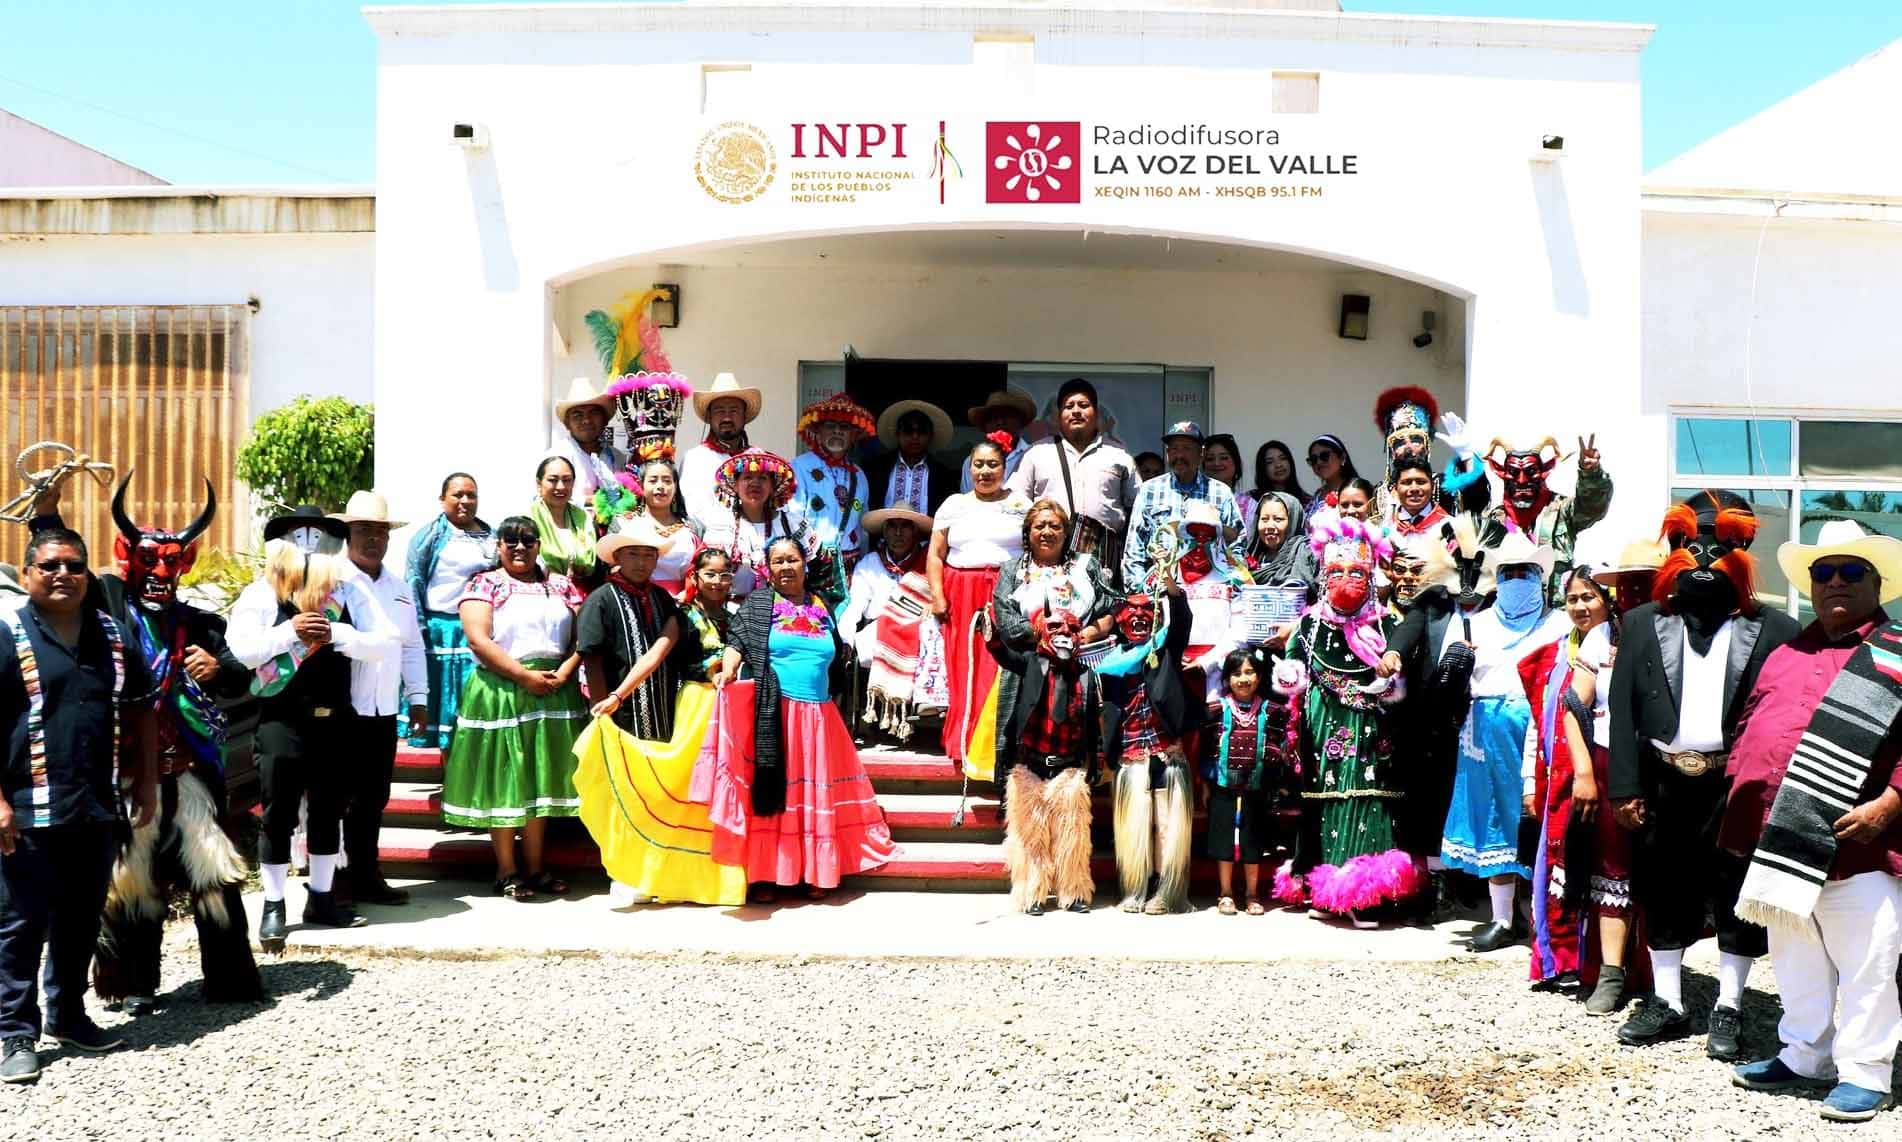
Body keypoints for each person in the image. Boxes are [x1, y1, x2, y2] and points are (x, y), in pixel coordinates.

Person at [30, 474, 259, 1012]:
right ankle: (131, 984)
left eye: (171, 563)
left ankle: (230, 983)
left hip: (189, 770)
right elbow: (67, 572)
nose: (160, 573)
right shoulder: (107, 606)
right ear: (126, 558)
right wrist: (46, 517)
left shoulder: (201, 623)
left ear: (186, 564)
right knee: (129, 881)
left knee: (215, 876)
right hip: (126, 768)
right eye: (149, 561)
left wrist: (218, 667)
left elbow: (242, 679)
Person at [1608, 492, 1798, 1058]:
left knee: (1737, 890)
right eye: (1691, 540)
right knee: (1662, 887)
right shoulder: (1642, 623)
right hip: (1662, 778)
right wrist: (1625, 785)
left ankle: (1730, 1004)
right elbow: (1623, 710)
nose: (1705, 554)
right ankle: (1667, 999)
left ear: (1743, 546)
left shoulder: (1775, 629)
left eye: (1722, 541)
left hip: (1734, 783)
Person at [1725, 520, 1902, 1124]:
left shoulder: (1896, 654)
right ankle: (1805, 1055)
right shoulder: (1786, 653)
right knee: (1794, 954)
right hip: (1781, 839)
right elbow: (1751, 725)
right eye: (1824, 572)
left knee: (1867, 961)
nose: (1835, 582)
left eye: (1852, 571)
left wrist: (1891, 802)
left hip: (1861, 840)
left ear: (1877, 583)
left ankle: (1866, 1073)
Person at [0, 528, 157, 1083]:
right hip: (28, 806)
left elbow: (141, 708)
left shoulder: (113, 635)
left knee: (81, 917)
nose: (63, 574)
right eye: (49, 565)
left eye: (74, 565)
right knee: (20, 922)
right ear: (27, 575)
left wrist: (147, 783)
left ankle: (67, 1016)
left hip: (97, 805)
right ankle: (14, 1033)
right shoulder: (6, 634)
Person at [228, 506, 398, 949]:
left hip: (336, 719)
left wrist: (337, 635)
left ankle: (321, 899)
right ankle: (273, 904)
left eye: (317, 539)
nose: (307, 549)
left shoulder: (348, 593)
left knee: (329, 810)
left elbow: (384, 642)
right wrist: (291, 631)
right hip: (281, 719)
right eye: (298, 539)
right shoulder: (261, 593)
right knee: (278, 813)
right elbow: (242, 651)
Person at [704, 536, 898, 901]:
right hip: (776, 713)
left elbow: (836, 660)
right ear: (768, 569)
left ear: (804, 563)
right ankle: (765, 877)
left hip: (820, 717)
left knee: (813, 793)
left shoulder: (822, 604)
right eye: (777, 561)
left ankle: (815, 871)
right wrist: (728, 671)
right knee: (775, 790)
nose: (785, 567)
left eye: (791, 559)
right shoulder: (758, 604)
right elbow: (737, 643)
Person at [1271, 510, 1424, 925]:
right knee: (1325, 803)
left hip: (1373, 729)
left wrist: (1389, 683)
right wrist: (1289, 675)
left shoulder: (1387, 623)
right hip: (1323, 727)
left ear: (1371, 575)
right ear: (1324, 575)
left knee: (1366, 800)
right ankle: (1326, 892)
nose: (1347, 580)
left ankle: (1363, 894)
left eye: (1357, 572)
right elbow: (1294, 670)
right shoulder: (1309, 624)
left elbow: (1404, 681)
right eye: (1337, 572)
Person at [573, 546, 747, 908]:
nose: (717, 581)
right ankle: (637, 872)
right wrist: (617, 696)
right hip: (696, 708)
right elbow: (655, 654)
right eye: (710, 573)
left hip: (730, 710)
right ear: (694, 576)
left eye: (725, 574)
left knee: (720, 793)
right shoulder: (680, 613)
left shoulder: (736, 615)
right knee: (675, 791)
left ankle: (720, 873)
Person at [439, 515, 587, 902]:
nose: (520, 547)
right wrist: (522, 676)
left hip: (553, 689)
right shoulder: (484, 584)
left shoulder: (560, 585)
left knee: (540, 779)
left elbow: (581, 637)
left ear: (539, 544)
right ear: (499, 546)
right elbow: (478, 639)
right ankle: (506, 870)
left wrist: (565, 671)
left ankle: (536, 868)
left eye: (528, 540)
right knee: (506, 778)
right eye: (510, 541)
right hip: (503, 687)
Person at [1440, 531, 1571, 951]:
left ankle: (1541, 916)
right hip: (1485, 731)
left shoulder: (1561, 623)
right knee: (1494, 816)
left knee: (1539, 816)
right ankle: (1501, 918)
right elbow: (1446, 682)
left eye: (1525, 572)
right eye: (1508, 573)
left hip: (1543, 729)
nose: (1516, 580)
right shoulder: (1471, 623)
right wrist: (1458, 662)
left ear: (1540, 577)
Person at [1518, 565, 1642, 1003]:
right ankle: (1593, 968)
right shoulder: (1585, 644)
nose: (1581, 606)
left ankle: (1656, 980)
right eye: (1573, 598)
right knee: (1602, 869)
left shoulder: (1664, 630)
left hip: (1651, 766)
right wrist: (1575, 774)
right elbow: (1555, 713)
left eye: (1589, 596)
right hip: (1588, 770)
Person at [989, 500, 1117, 915]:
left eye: (1055, 526)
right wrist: (1043, 637)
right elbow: (1006, 621)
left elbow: (1110, 610)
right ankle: (1032, 888)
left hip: (1078, 667)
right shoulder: (1013, 570)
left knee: (1072, 805)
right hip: (1026, 668)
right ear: (1028, 532)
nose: (1047, 532)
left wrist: (1080, 636)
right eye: (1039, 526)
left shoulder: (1086, 566)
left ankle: (1074, 888)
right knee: (1028, 797)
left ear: (1066, 531)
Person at [334, 490, 430, 908]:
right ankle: (333, 879)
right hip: (340, 709)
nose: (373, 539)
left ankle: (366, 873)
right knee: (338, 798)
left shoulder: (400, 588)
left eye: (380, 531)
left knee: (374, 797)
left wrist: (418, 696)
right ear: (348, 534)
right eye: (364, 530)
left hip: (384, 709)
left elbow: (411, 646)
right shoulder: (331, 580)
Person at [929, 435, 1031, 763]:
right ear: (969, 468)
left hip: (1007, 591)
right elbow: (935, 554)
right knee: (963, 664)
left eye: (993, 465)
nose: (985, 471)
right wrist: (938, 596)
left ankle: (995, 746)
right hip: (961, 590)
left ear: (1004, 468)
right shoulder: (953, 505)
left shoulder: (1021, 504)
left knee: (1000, 664)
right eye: (979, 464)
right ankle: (963, 742)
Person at [1098, 585, 1198, 915]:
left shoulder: (1166, 649)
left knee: (1169, 828)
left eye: (1147, 609)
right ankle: (1134, 890)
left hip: (1166, 752)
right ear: (1120, 620)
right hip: (1130, 755)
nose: (1140, 616)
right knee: (1133, 829)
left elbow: (1182, 620)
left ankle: (1167, 893)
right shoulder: (1110, 664)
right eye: (1132, 610)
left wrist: (1172, 589)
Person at [1006, 379, 1140, 581]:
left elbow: (1138, 510)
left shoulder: (1119, 455)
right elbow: (1015, 506)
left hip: (1104, 559)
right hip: (1049, 560)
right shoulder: (1036, 453)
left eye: (1083, 405)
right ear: (1059, 415)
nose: (1076, 411)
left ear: (1096, 412)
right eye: (1069, 407)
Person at [405, 472, 495, 749]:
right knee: (441, 690)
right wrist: (417, 629)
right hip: (439, 630)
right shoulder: (429, 537)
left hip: (476, 630)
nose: (465, 501)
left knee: (471, 690)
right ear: (442, 499)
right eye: (458, 495)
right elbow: (414, 581)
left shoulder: (491, 536)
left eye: (471, 495)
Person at [578, 517, 683, 741]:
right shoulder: (601, 600)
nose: (641, 562)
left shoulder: (661, 598)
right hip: (618, 708)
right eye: (633, 554)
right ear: (617, 557)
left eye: (648, 555)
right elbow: (592, 658)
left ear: (656, 560)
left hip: (661, 703)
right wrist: (601, 708)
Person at [840, 506, 939, 742]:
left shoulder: (928, 561)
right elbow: (855, 606)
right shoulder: (870, 563)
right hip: (878, 628)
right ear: (884, 531)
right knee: (864, 648)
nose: (898, 533)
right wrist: (846, 638)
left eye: (905, 526)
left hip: (920, 628)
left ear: (916, 532)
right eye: (892, 526)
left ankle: (925, 717)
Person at [1202, 650, 1289, 917]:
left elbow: (1279, 746)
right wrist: (1204, 785)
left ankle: (1252, 894)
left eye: (1249, 672)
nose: (1243, 679)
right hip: (1222, 786)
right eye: (1237, 673)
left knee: (1253, 840)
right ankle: (1226, 892)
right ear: (1227, 678)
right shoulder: (1216, 710)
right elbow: (1207, 750)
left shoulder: (1272, 711)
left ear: (1259, 677)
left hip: (1256, 786)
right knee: (1224, 840)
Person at [1482, 434, 1613, 605]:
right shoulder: (1493, 520)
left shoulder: (1561, 510)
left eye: (1531, 472)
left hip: (1554, 612)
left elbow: (1592, 506)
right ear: (1502, 473)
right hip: (1509, 613)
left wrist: (1591, 474)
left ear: (1544, 472)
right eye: (1513, 473)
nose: (1522, 480)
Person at [1124, 421, 1243, 588]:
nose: (1179, 455)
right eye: (1173, 449)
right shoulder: (1149, 490)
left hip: (1209, 590)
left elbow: (1237, 543)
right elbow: (1134, 548)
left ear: (1201, 453)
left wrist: (1232, 585)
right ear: (1167, 453)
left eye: (1186, 448)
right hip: (1160, 588)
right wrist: (1138, 589)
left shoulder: (1221, 493)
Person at [702, 448, 816, 602]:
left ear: (772, 486)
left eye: (762, 478)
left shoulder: (791, 524)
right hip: (732, 610)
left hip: (783, 609)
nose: (755, 483)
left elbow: (818, 570)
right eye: (747, 477)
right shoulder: (720, 526)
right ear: (735, 485)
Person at [791, 392, 876, 597]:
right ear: (818, 431)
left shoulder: (859, 475)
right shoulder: (799, 467)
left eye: (844, 427)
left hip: (849, 571)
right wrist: (815, 553)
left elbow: (863, 526)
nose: (837, 431)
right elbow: (792, 517)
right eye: (830, 425)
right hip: (811, 566)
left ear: (853, 435)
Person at [1369, 386, 1486, 526]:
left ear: (1426, 447)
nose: (1408, 447)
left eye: (1415, 440)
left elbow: (1478, 501)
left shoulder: (1444, 485)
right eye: (1400, 442)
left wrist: (1467, 456)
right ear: (1392, 451)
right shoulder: (1379, 493)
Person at [680, 372, 763, 525]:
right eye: (719, 411)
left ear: (744, 416)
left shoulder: (758, 459)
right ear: (709, 416)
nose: (727, 418)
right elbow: (693, 511)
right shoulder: (695, 459)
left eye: (734, 411)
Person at [865, 400, 957, 516]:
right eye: (908, 430)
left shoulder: (944, 476)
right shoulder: (875, 469)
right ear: (897, 434)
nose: (915, 436)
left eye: (922, 431)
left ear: (930, 436)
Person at [547, 376, 626, 506]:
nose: (586, 420)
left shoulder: (617, 458)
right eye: (577, 415)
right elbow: (549, 498)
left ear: (605, 420)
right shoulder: (557, 457)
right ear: (567, 424)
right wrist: (593, 501)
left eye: (594, 413)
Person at [625, 459, 698, 597]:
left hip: (684, 601)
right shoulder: (625, 523)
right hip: (638, 599)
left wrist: (687, 594)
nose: (660, 486)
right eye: (653, 481)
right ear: (641, 485)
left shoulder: (693, 527)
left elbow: (702, 568)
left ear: (675, 486)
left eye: (667, 481)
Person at [527, 455, 600, 587]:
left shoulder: (585, 520)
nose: (561, 487)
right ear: (539, 484)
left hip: (582, 591)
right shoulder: (528, 520)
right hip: (539, 590)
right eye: (552, 480)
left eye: (567, 480)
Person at [962, 389, 1036, 491]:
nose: (1000, 422)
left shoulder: (1034, 457)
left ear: (1021, 422)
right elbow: (967, 497)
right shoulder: (971, 462)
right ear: (985, 426)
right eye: (993, 417)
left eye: (1007, 416)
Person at [1245, 492, 1318, 590]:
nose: (1270, 526)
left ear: (1293, 521)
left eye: (1278, 519)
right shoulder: (1250, 558)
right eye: (1264, 519)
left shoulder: (1305, 554)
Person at [1386, 457, 1453, 540]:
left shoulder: (1450, 526)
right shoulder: (1386, 527)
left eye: (1421, 482)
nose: (1414, 488)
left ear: (1432, 486)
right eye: (1407, 483)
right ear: (1395, 488)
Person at [1202, 433, 1254, 537]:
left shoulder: (1251, 505)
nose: (1216, 463)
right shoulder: (1194, 501)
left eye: (1224, 458)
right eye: (1210, 459)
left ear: (1236, 463)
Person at [1303, 434, 1361, 517]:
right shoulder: (1317, 496)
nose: (1319, 462)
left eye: (1324, 456)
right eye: (1313, 459)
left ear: (1342, 458)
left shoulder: (1358, 491)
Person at [1251, 440, 1309, 506]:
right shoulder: (1251, 501)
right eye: (1270, 462)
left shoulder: (1307, 502)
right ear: (1262, 468)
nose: (1278, 465)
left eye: (1283, 458)